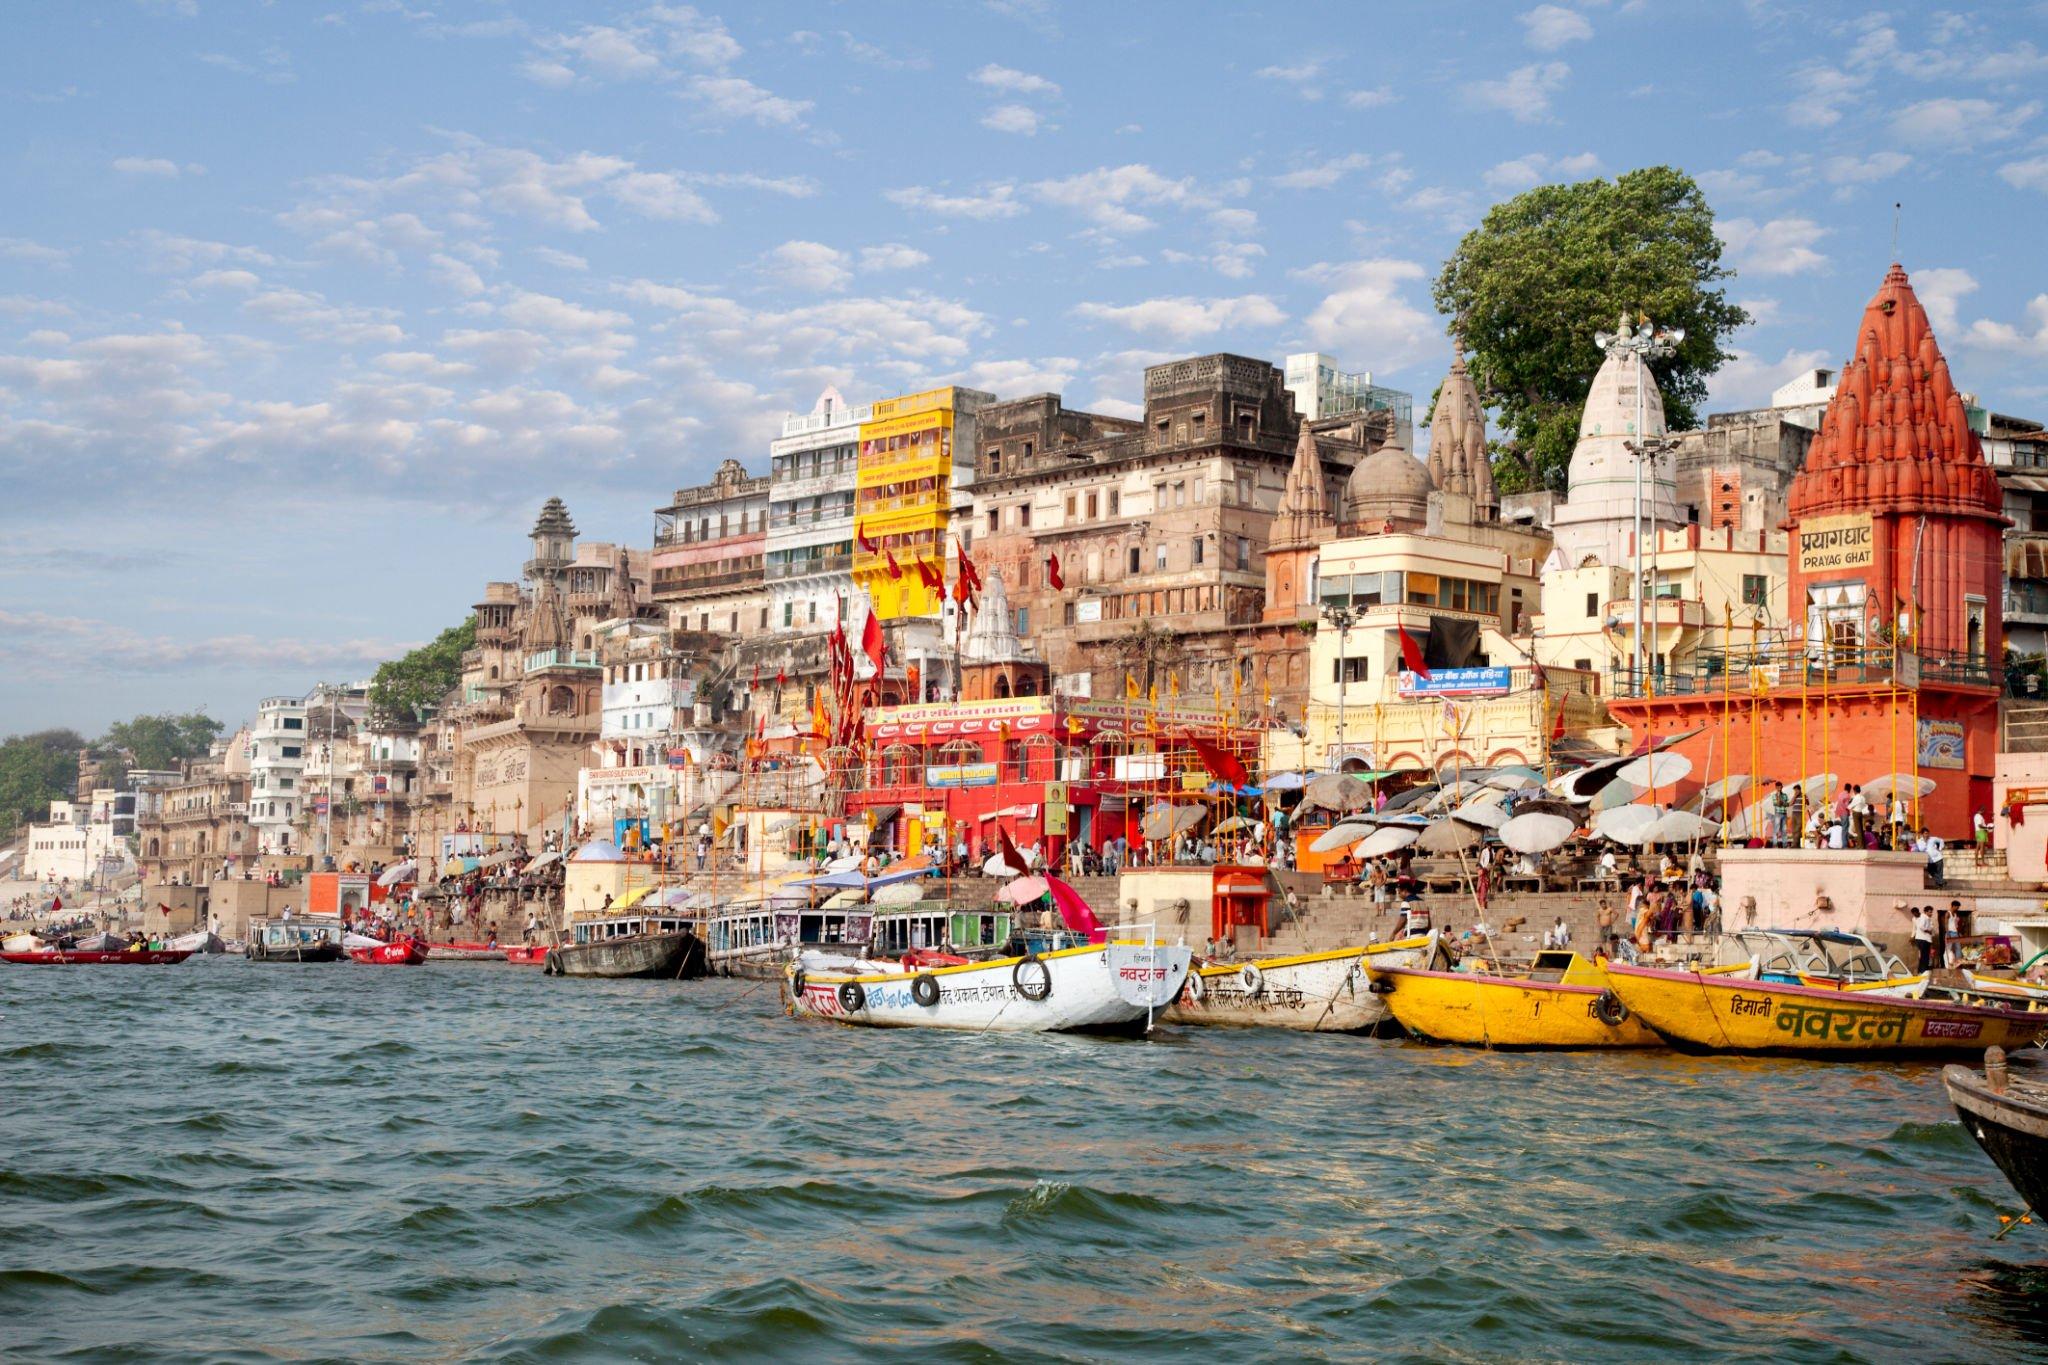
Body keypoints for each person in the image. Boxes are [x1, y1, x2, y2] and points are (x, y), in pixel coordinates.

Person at [1907, 903, 1935, 973]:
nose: (1915, 915)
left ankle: (1922, 970)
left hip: (1924, 939)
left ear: (1918, 912)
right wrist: (1912, 937)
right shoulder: (1922, 917)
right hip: (1922, 939)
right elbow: (1917, 928)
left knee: (1924, 956)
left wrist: (1930, 932)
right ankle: (1923, 971)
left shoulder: (1924, 917)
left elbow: (1930, 927)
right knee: (1924, 956)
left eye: (1916, 913)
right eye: (1930, 912)